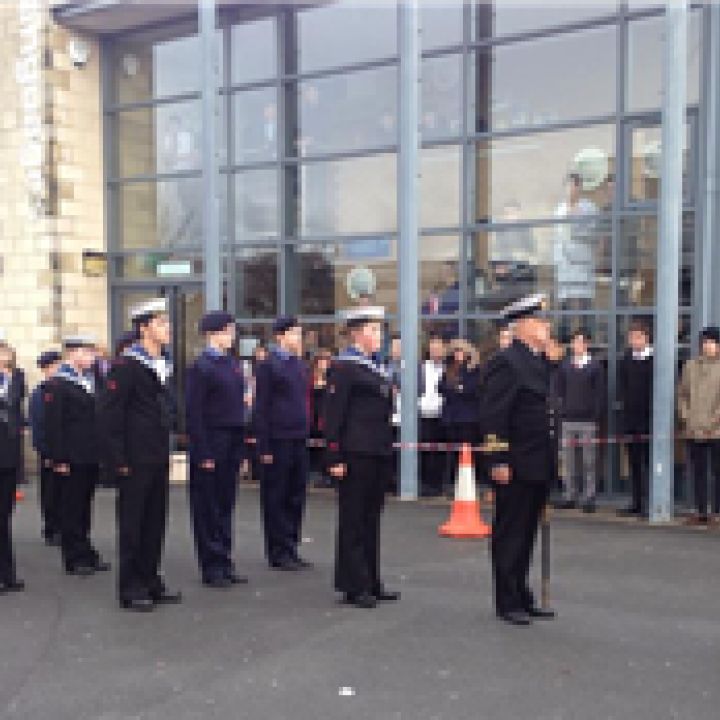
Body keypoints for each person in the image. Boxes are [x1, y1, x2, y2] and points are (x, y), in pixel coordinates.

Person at [100, 298, 182, 612]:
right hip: (133, 459)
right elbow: (110, 416)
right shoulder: (126, 365)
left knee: (154, 523)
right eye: (161, 323)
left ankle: (150, 579)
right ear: (144, 327)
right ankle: (131, 587)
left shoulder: (162, 362)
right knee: (133, 525)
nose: (168, 329)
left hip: (157, 455)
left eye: (167, 323)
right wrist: (118, 460)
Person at [480, 294, 557, 626]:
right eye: (540, 321)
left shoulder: (537, 361)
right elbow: (494, 415)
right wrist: (498, 458)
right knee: (510, 533)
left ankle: (522, 593)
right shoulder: (506, 362)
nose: (546, 326)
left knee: (527, 533)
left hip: (537, 462)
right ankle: (506, 598)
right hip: (514, 463)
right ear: (523, 325)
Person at [324, 307, 400, 609]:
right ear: (356, 333)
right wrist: (334, 456)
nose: (378, 337)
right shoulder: (344, 368)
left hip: (377, 451)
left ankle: (371, 579)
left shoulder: (372, 366)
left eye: (379, 331)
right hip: (355, 453)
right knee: (353, 520)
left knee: (371, 519)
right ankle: (353, 584)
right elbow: (333, 415)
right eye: (373, 331)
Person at [186, 311, 249, 588]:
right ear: (212, 334)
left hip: (232, 439)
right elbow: (195, 412)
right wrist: (203, 451)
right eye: (226, 331)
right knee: (208, 507)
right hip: (212, 440)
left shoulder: (231, 364)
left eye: (232, 331)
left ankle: (224, 560)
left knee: (225, 504)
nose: (231, 336)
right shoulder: (202, 366)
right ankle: (211, 565)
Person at [44, 337, 110, 577]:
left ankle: (86, 550)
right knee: (71, 508)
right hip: (71, 455)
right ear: (73, 354)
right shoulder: (59, 384)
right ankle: (73, 556)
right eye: (87, 352)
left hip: (89, 454)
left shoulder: (90, 381)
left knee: (84, 506)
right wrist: (59, 459)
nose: (92, 357)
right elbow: (55, 425)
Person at [254, 317, 311, 571]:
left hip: (298, 437)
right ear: (280, 336)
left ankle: (291, 545)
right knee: (276, 495)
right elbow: (262, 407)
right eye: (294, 333)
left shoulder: (299, 364)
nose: (298, 338)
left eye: (299, 334)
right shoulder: (269, 365)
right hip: (277, 438)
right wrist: (263, 446)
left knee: (295, 495)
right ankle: (277, 550)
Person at [555, 330, 606, 512]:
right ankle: (569, 495)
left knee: (588, 461)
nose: (576, 345)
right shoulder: (565, 366)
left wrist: (595, 416)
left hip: (587, 421)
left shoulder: (595, 367)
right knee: (569, 461)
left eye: (579, 342)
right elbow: (559, 391)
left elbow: (600, 394)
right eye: (574, 342)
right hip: (568, 419)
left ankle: (589, 497)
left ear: (586, 344)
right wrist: (561, 411)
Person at [678, 326, 720, 525]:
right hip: (693, 428)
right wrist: (686, 416)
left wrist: (714, 420)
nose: (707, 346)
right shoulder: (691, 366)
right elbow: (682, 394)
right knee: (698, 471)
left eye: (711, 342)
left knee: (717, 471)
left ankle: (717, 511)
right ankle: (701, 509)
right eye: (704, 342)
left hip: (716, 430)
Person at [617, 320, 654, 518]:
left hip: (649, 420)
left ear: (646, 338)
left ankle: (650, 502)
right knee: (634, 464)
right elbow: (622, 388)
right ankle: (636, 502)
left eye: (637, 337)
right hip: (631, 420)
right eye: (631, 337)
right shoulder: (626, 360)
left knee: (649, 462)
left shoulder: (654, 360)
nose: (634, 341)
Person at [439, 339, 482, 494]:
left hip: (468, 418)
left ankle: (471, 483)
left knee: (469, 452)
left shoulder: (474, 370)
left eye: (461, 351)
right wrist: (457, 389)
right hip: (451, 417)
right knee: (451, 453)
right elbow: (443, 388)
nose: (458, 355)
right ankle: (450, 484)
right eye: (455, 351)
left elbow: (472, 390)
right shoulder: (449, 370)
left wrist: (458, 389)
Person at [29, 350, 62, 545]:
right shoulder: (40, 392)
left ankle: (60, 525)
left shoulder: (61, 389)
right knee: (50, 491)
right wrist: (44, 449)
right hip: (49, 449)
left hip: (63, 448)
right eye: (54, 366)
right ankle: (51, 527)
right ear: (46, 369)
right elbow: (39, 423)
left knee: (62, 491)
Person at [0, 335, 25, 594]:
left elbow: (15, 406)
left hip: (7, 455)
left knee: (4, 518)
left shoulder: (13, 379)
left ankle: (7, 574)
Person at [419, 333, 445, 497]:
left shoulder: (447, 367)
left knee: (440, 452)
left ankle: (438, 484)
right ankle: (426, 484)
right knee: (425, 451)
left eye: (438, 347)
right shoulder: (421, 367)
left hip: (441, 415)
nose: (435, 350)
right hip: (423, 413)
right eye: (432, 347)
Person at [310, 349, 332, 489]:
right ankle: (315, 473)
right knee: (313, 445)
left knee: (325, 446)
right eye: (321, 361)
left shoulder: (332, 379)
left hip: (326, 415)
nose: (323, 364)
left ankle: (326, 474)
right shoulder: (311, 378)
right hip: (313, 414)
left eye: (326, 361)